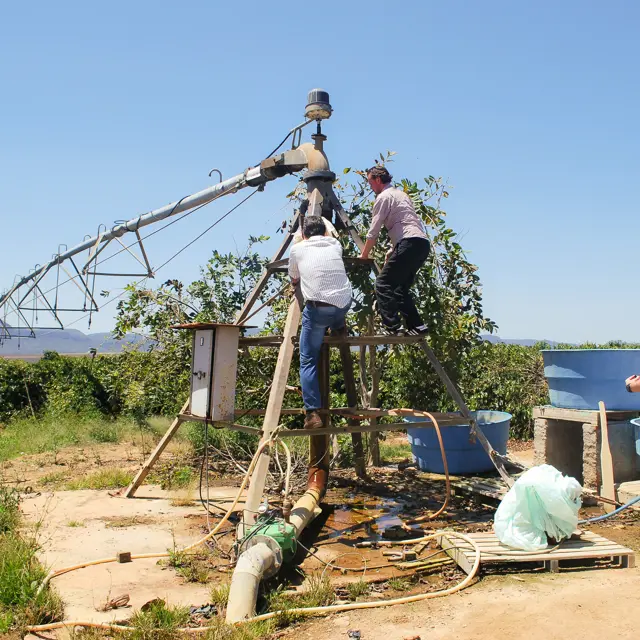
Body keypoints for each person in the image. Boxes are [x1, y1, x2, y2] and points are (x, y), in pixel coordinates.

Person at [288, 216, 352, 429]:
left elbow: (294, 276)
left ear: (303, 234)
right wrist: (324, 219)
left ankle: (312, 413)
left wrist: (301, 225)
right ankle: (339, 327)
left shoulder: (297, 249)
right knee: (336, 305)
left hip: (317, 311)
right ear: (324, 230)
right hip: (343, 305)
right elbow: (330, 231)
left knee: (307, 360)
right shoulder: (335, 244)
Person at [360, 166, 431, 336]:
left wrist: (364, 254)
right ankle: (417, 326)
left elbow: (374, 231)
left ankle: (393, 328)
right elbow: (406, 222)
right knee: (400, 289)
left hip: (408, 242)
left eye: (370, 182)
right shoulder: (401, 195)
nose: (370, 187)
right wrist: (394, 249)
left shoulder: (383, 197)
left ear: (377, 180)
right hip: (421, 244)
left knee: (383, 284)